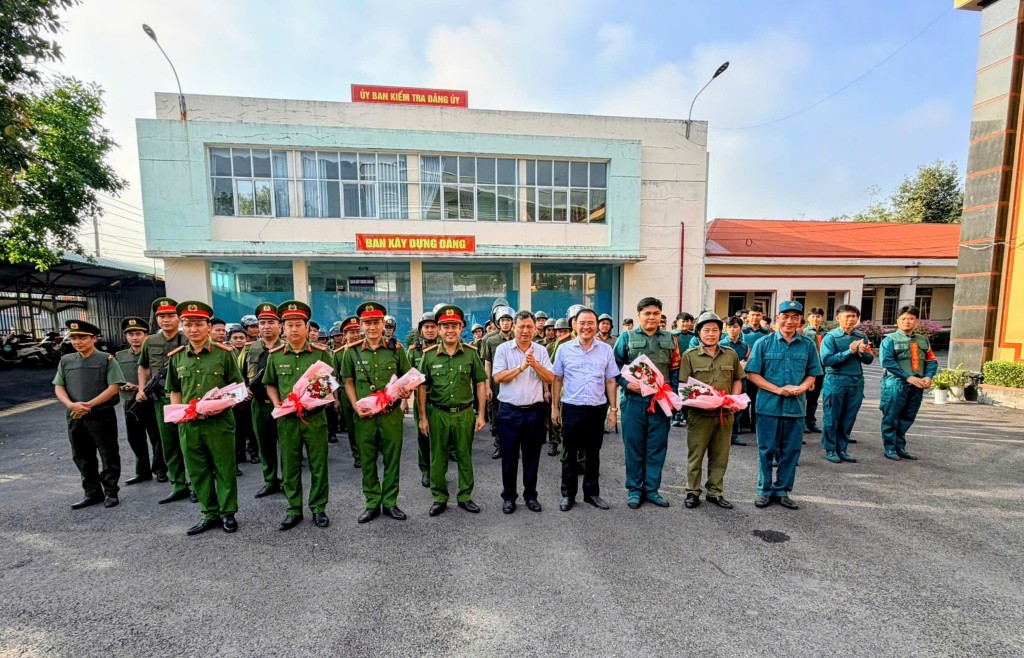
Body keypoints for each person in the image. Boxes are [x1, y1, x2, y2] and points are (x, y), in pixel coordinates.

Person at [165, 301, 244, 535]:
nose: (193, 329)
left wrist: (220, 407)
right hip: (189, 425)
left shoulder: (224, 354)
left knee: (224, 469)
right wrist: (179, 413)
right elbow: (174, 390)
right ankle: (209, 513)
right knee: (197, 470)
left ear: (208, 327)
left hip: (219, 423)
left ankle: (228, 513)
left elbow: (237, 388)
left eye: (199, 324)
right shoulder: (177, 357)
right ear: (183, 327)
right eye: (188, 325)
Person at [744, 301, 823, 510]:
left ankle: (782, 490)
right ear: (777, 318)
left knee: (790, 451)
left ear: (800, 320)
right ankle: (764, 490)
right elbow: (752, 374)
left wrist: (801, 388)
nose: (790, 321)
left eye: (795, 317)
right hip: (768, 407)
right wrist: (777, 390)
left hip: (795, 407)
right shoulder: (763, 343)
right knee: (766, 450)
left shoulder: (807, 344)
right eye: (785, 316)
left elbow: (813, 373)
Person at [341, 302, 415, 523]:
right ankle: (372, 502)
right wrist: (355, 405)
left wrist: (406, 392)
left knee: (392, 459)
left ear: (383, 324)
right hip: (365, 417)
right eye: (367, 323)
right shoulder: (352, 351)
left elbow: (408, 377)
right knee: (367, 460)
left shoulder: (396, 349)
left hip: (390, 415)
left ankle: (390, 502)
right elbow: (348, 381)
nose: (372, 327)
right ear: (361, 325)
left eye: (376, 322)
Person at [263, 300, 333, 530]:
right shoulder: (275, 355)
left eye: (298, 325)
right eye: (289, 325)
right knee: (290, 465)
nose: (294, 329)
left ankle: (318, 508)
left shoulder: (321, 354)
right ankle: (294, 509)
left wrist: (315, 401)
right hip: (287, 420)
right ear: (283, 328)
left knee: (318, 465)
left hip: (315, 418)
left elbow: (330, 384)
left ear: (307, 327)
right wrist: (277, 404)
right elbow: (270, 384)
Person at [417, 305, 487, 516]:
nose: (450, 330)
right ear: (439, 329)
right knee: (438, 457)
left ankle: (465, 496)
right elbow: (422, 387)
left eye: (454, 326)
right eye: (445, 326)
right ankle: (439, 497)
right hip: (438, 413)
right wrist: (422, 417)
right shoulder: (429, 355)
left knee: (464, 455)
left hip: (464, 413)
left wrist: (481, 414)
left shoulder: (471, 354)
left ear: (461, 328)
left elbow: (480, 383)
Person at [613, 297, 680, 509]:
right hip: (633, 401)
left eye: (656, 313)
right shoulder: (626, 337)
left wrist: (673, 397)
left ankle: (651, 489)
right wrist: (626, 384)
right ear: (639, 315)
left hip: (660, 401)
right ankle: (634, 489)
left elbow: (675, 370)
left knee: (656, 447)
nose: (652, 317)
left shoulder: (671, 339)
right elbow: (613, 368)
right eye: (647, 313)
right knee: (634, 446)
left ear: (661, 316)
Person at [54, 319, 126, 510]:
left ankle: (111, 491)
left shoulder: (106, 359)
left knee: (108, 453)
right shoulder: (66, 360)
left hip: (101, 414)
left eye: (82, 337)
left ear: (94, 339)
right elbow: (59, 386)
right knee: (81, 455)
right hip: (75, 415)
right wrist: (71, 405)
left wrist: (88, 405)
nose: (77, 342)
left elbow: (114, 387)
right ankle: (92, 492)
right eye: (74, 338)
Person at [551, 308, 618, 511]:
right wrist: (554, 408)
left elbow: (610, 380)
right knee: (569, 454)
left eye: (590, 323)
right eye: (582, 323)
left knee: (593, 454)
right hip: (572, 408)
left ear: (596, 325)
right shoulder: (564, 349)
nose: (586, 327)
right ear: (574, 325)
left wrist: (613, 409)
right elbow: (557, 379)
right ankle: (568, 495)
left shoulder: (606, 350)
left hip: (596, 409)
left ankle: (591, 493)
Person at [677, 312, 744, 510]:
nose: (711, 334)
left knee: (720, 456)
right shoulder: (689, 356)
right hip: (699, 416)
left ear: (720, 333)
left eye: (715, 330)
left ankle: (715, 492)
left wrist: (734, 400)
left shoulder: (730, 354)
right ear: (698, 333)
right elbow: (684, 386)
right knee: (696, 455)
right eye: (706, 330)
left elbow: (737, 379)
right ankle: (692, 492)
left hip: (725, 414)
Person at [492, 311, 554, 513]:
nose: (525, 331)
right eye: (521, 326)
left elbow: (550, 378)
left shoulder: (540, 351)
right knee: (509, 457)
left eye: (529, 327)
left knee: (532, 457)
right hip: (509, 412)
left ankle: (531, 496)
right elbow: (498, 377)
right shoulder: (503, 349)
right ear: (514, 327)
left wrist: (534, 364)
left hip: (534, 412)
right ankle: (509, 497)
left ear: (535, 329)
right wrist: (521, 367)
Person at [137, 297, 192, 504]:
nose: (165, 320)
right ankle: (178, 485)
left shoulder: (188, 338)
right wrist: (141, 388)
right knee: (169, 444)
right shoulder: (150, 341)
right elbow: (143, 366)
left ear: (179, 318)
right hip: (161, 400)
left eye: (170, 315)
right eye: (161, 316)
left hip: (186, 400)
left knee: (190, 444)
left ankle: (195, 485)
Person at [879, 305, 937, 461]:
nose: (907, 321)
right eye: (904, 318)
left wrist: (928, 376)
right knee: (891, 416)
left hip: (917, 385)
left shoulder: (923, 340)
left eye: (911, 319)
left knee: (908, 416)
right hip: (895, 384)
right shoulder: (890, 339)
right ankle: (890, 448)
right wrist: (908, 377)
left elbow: (931, 360)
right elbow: (887, 362)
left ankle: (900, 447)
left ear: (916, 321)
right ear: (897, 321)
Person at [819, 304, 873, 464]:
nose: (851, 319)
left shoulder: (861, 336)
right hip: (836, 381)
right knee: (832, 417)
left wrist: (862, 352)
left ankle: (842, 448)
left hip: (856, 382)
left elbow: (869, 359)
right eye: (847, 316)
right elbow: (827, 360)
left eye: (854, 316)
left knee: (849, 417)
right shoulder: (831, 337)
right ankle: (830, 449)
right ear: (838, 318)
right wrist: (850, 351)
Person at [115, 317, 165, 485]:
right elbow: (114, 378)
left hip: (152, 400)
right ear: (126, 336)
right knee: (135, 438)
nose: (134, 337)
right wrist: (122, 386)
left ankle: (160, 470)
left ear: (146, 336)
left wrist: (138, 387)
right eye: (130, 334)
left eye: (138, 334)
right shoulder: (119, 356)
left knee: (157, 437)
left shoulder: (154, 354)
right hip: (130, 402)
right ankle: (142, 471)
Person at [246, 302, 286, 498]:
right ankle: (270, 480)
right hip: (260, 405)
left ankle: (288, 481)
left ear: (280, 326)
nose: (266, 326)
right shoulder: (250, 349)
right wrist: (244, 389)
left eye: (271, 322)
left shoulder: (287, 348)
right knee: (265, 444)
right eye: (262, 323)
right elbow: (240, 375)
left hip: (284, 405)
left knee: (287, 445)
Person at [408, 311, 441, 488]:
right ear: (421, 330)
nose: (430, 330)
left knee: (441, 439)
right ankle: (426, 470)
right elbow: (406, 376)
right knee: (423, 437)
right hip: (421, 402)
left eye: (433, 327)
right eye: (426, 327)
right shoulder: (413, 352)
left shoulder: (445, 348)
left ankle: (439, 470)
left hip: (440, 402)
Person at [482, 304, 516, 459]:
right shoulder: (490, 340)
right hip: (497, 385)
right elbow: (487, 364)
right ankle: (499, 445)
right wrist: (487, 386)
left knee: (514, 415)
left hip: (515, 383)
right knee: (498, 415)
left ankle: (513, 446)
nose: (506, 323)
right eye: (503, 320)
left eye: (508, 320)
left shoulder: (518, 339)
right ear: (498, 322)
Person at [333, 315, 362, 469]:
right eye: (351, 332)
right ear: (344, 335)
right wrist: (336, 399)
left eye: (357, 331)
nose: (355, 335)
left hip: (363, 390)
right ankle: (357, 454)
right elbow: (335, 378)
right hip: (345, 393)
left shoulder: (365, 350)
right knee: (351, 425)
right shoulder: (338, 354)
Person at [228, 324, 258, 466]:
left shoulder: (251, 352)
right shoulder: (227, 353)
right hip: (233, 395)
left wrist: (248, 389)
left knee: (251, 426)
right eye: (235, 338)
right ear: (230, 340)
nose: (239, 340)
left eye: (241, 338)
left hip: (249, 394)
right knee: (237, 427)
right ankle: (239, 454)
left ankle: (253, 453)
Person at [740, 304, 771, 439]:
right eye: (752, 315)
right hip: (745, 369)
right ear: (748, 316)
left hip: (761, 370)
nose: (755, 317)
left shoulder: (766, 332)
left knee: (758, 397)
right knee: (745, 396)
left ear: (762, 316)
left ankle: (756, 423)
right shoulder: (742, 331)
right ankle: (743, 422)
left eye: (758, 315)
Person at [719, 316, 751, 447]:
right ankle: (725, 435)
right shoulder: (721, 344)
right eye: (730, 326)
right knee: (725, 407)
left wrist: (745, 365)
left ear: (741, 328)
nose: (732, 329)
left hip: (741, 379)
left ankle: (734, 434)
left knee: (740, 405)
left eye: (735, 326)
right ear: (725, 328)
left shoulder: (745, 346)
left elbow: (749, 361)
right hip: (725, 379)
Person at [802, 307, 826, 434]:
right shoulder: (804, 333)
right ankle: (802, 422)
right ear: (808, 318)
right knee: (804, 397)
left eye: (818, 316)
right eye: (813, 316)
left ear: (822, 318)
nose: (815, 319)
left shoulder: (826, 333)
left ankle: (811, 421)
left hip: (821, 369)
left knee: (814, 398)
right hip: (807, 369)